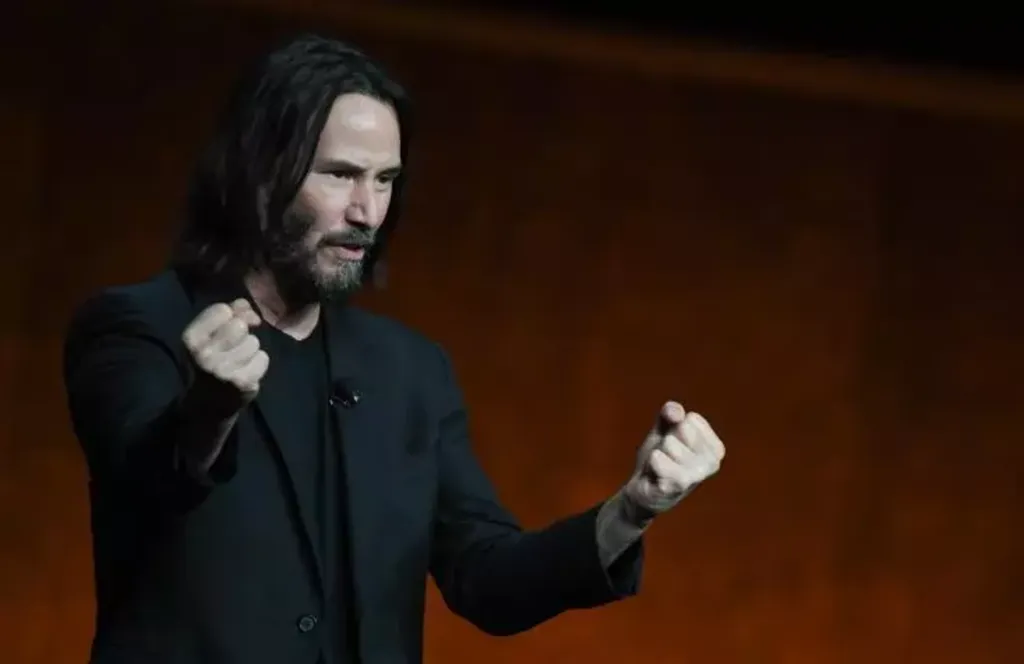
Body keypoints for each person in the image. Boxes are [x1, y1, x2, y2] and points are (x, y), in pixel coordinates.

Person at [62, 34, 725, 664]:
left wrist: (631, 510)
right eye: (341, 175)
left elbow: (487, 578)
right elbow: (142, 484)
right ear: (260, 175)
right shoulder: (139, 326)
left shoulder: (409, 371)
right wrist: (207, 410)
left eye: (384, 180)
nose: (368, 213)